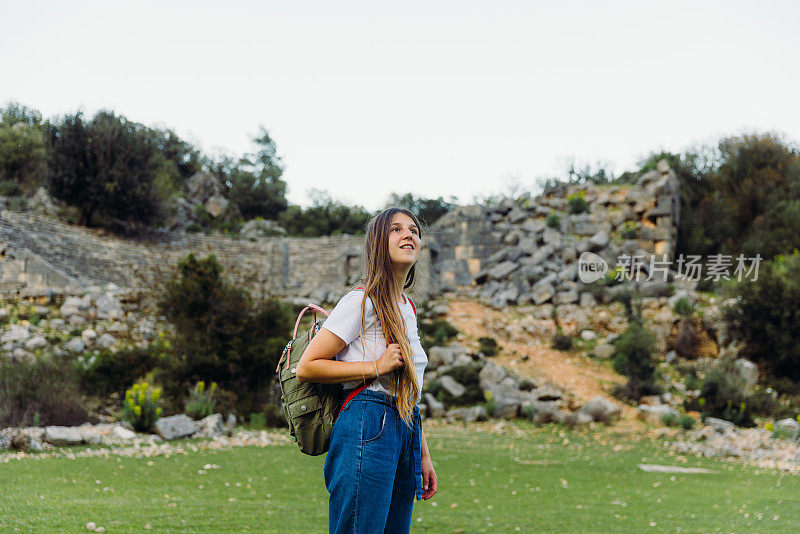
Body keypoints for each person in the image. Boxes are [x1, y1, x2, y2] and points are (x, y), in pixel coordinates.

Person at [296, 206, 438, 533]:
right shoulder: (363, 301)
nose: (408, 235)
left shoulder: (407, 307)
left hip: (405, 425)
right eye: (396, 230)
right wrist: (375, 366)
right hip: (366, 421)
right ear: (378, 243)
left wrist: (423, 454)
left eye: (414, 230)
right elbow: (308, 366)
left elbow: (407, 390)